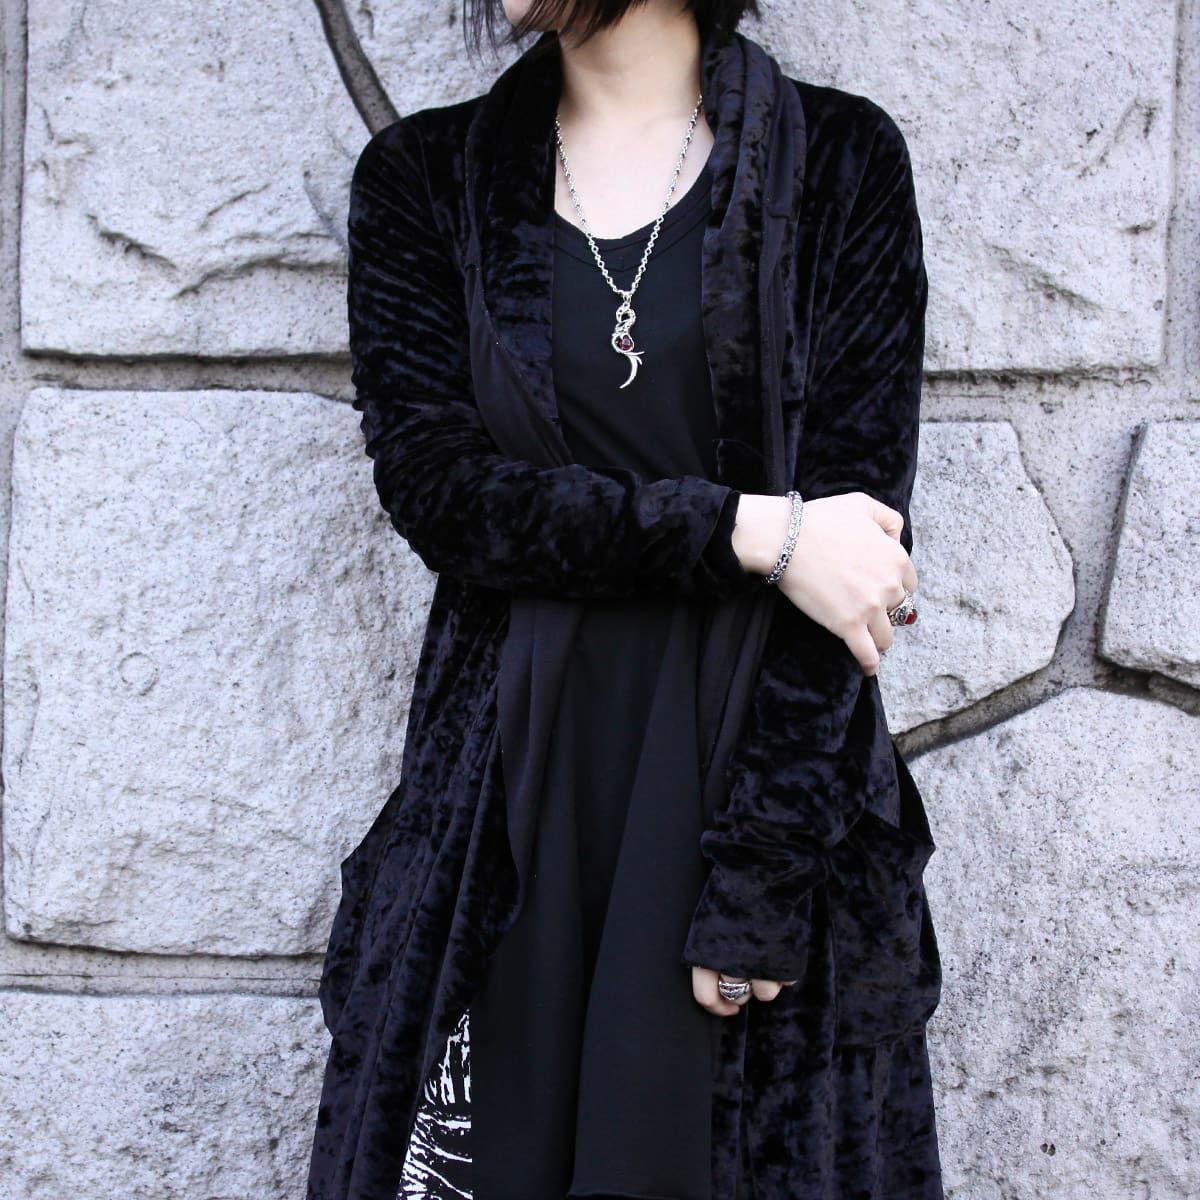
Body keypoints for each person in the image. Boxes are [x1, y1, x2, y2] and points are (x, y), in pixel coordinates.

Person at [306, 1, 943, 1198]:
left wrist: (760, 883)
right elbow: (445, 495)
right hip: (514, 789)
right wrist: (751, 531)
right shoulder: (427, 178)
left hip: (738, 786)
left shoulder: (839, 162)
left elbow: (855, 561)